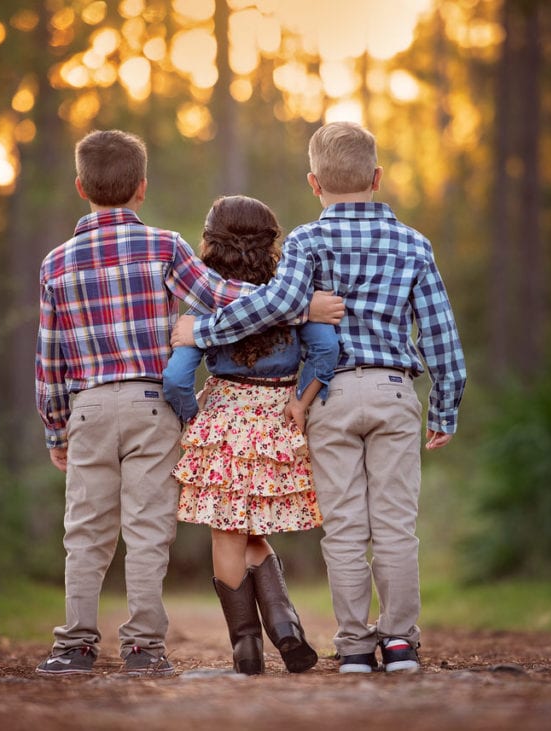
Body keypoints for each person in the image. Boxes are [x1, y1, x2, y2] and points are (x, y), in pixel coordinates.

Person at [34, 130, 343, 677]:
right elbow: (225, 297)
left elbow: (49, 359)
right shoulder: (165, 247)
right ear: (142, 189)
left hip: (86, 407)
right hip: (151, 404)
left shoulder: (56, 264)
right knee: (150, 529)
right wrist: (300, 305)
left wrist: (57, 430)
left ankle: (75, 645)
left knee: (85, 531)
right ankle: (143, 647)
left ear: (81, 186)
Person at [170, 121, 467, 674]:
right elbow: (441, 335)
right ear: (377, 177)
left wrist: (204, 332)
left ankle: (355, 645)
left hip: (331, 398)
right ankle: (400, 642)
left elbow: (274, 307)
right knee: (397, 525)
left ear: (314, 183)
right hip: (394, 391)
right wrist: (445, 404)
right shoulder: (414, 244)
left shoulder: (307, 242)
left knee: (347, 527)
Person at [162, 195, 339, 676]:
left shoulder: (203, 301)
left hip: (224, 416)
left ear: (212, 241)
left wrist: (191, 416)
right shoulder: (293, 295)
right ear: (270, 242)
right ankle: (285, 628)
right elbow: (326, 352)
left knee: (229, 532)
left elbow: (177, 379)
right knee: (250, 528)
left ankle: (247, 648)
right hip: (278, 418)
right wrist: (300, 403)